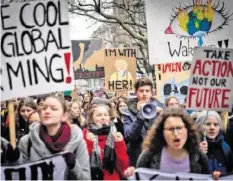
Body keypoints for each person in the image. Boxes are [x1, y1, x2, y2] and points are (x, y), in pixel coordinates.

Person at [18, 95, 90, 180]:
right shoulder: (27, 142)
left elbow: (86, 178)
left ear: (64, 116)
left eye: (54, 109)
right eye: (44, 108)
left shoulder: (78, 142)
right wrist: (14, 161)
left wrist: (74, 165)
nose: (47, 111)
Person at [134, 108, 210, 174]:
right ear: (162, 132)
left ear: (188, 129)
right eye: (170, 129)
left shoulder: (200, 156)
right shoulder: (149, 155)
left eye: (179, 128)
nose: (176, 133)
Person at [83, 98, 128, 180]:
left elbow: (123, 167)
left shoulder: (115, 134)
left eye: (106, 115)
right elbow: (81, 164)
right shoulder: (86, 134)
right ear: (91, 117)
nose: (103, 118)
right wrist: (88, 143)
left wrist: (120, 144)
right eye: (99, 115)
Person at [122, 78, 163, 166]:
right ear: (136, 92)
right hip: (137, 156)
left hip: (158, 155)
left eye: (147, 91)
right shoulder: (127, 111)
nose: (144, 94)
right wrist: (140, 115)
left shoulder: (161, 107)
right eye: (141, 91)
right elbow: (129, 136)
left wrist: (162, 115)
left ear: (152, 93)